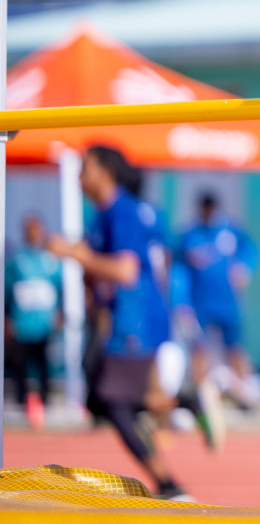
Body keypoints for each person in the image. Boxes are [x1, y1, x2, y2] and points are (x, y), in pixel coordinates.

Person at [47, 145, 191, 500]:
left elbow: (126, 270)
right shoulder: (103, 214)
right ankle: (185, 405)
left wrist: (75, 254)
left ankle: (170, 483)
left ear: (104, 172)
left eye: (85, 167)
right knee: (103, 400)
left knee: (114, 403)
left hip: (134, 321)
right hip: (125, 319)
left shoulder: (120, 212)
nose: (79, 175)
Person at [177, 192, 259, 411]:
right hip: (199, 305)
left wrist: (244, 268)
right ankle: (200, 400)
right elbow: (179, 271)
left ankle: (244, 397)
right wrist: (181, 303)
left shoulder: (230, 232)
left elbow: (250, 249)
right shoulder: (190, 236)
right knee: (199, 351)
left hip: (228, 304)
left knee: (235, 350)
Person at [6, 214, 64, 429]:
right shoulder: (16, 260)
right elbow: (8, 289)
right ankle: (23, 403)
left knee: (44, 363)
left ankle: (45, 402)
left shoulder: (50, 260)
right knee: (20, 364)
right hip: (22, 323)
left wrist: (61, 313)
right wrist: (7, 317)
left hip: (44, 323)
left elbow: (61, 288)